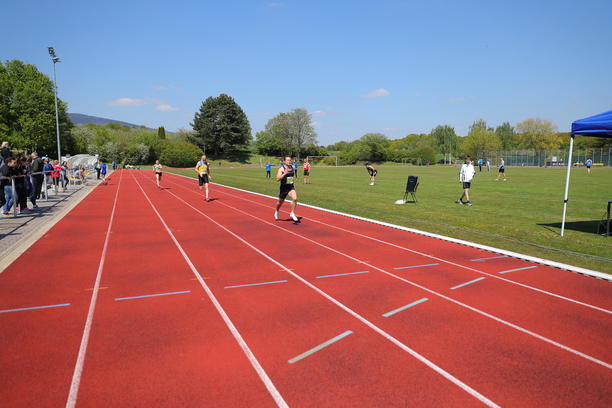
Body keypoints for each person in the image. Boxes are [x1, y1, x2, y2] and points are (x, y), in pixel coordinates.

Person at [275, 155, 299, 221]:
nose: (289, 161)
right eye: (288, 160)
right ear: (284, 161)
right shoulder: (281, 169)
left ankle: (292, 213)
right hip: (283, 189)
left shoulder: (293, 167)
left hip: (290, 187)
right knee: (280, 202)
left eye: (290, 160)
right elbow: (278, 179)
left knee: (295, 198)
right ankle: (277, 210)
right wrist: (284, 174)